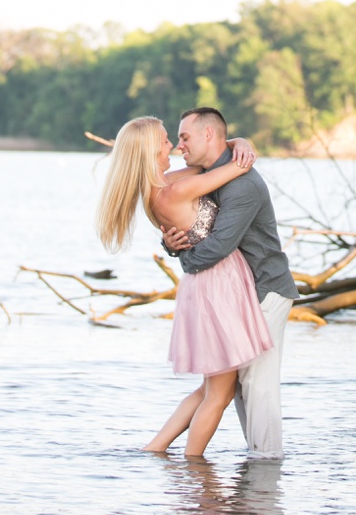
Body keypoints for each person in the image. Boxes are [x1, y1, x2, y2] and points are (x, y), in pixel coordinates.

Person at [96, 115, 272, 458]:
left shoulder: (160, 187)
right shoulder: (176, 189)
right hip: (218, 283)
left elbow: (220, 157)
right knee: (220, 393)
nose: (173, 147)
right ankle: (195, 464)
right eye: (165, 141)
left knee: (209, 387)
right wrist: (244, 147)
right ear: (150, 151)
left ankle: (156, 447)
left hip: (202, 285)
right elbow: (234, 168)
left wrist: (240, 141)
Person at [162, 107, 298, 461]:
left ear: (208, 135)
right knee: (236, 385)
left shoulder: (243, 184)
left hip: (266, 288)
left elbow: (219, 245)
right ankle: (256, 459)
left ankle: (267, 463)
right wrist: (169, 244)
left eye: (185, 137)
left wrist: (185, 261)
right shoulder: (214, 173)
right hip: (238, 294)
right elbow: (189, 222)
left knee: (257, 382)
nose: (179, 146)